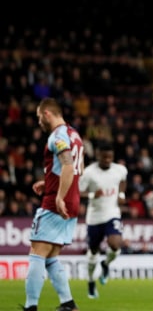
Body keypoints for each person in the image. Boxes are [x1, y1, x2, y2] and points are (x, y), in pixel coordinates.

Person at [24, 98, 84, 311]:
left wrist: (58, 195)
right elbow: (79, 169)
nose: (39, 121)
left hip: (56, 202)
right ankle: (68, 303)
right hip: (74, 200)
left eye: (39, 116)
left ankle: (31, 306)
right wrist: (49, 179)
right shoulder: (74, 135)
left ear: (47, 113)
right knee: (51, 256)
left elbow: (67, 166)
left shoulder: (57, 135)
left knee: (37, 252)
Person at [79, 142, 128, 299]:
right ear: (98, 156)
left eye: (110, 157)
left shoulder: (119, 169)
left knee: (115, 244)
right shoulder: (89, 173)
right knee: (93, 252)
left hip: (112, 213)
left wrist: (121, 195)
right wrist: (93, 195)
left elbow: (123, 180)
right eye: (104, 157)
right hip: (94, 218)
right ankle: (91, 282)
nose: (107, 159)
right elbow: (78, 192)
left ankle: (106, 264)